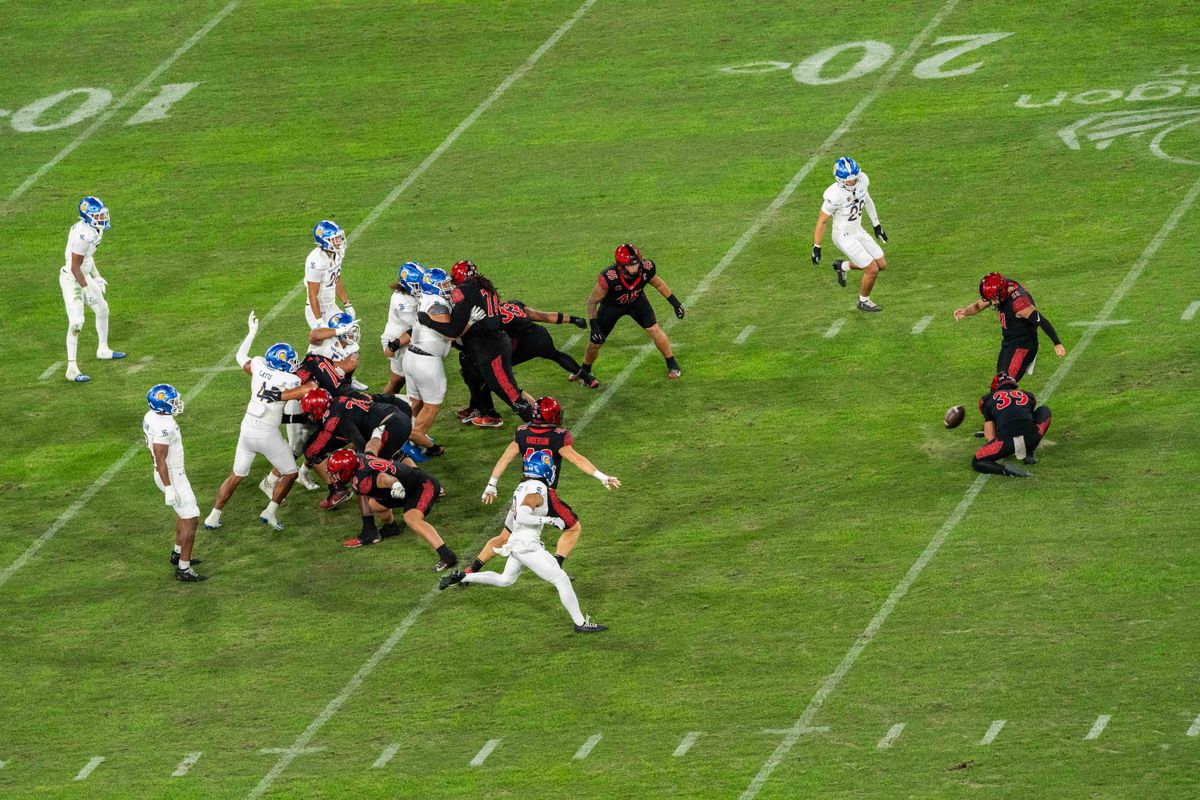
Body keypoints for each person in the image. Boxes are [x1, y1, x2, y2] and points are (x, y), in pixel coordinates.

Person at [439, 452, 608, 634]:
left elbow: (513, 517)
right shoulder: (538, 489)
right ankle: (580, 623)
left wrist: (514, 538)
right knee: (561, 579)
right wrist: (550, 520)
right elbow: (522, 514)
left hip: (517, 543)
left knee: (505, 580)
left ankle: (463, 576)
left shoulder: (522, 487)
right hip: (527, 547)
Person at [478, 397, 619, 572]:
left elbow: (505, 459)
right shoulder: (558, 436)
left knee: (505, 536)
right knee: (573, 527)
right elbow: (577, 460)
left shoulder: (522, 432)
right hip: (543, 493)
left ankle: (471, 570)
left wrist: (491, 484)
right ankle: (555, 567)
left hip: (522, 491)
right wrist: (602, 476)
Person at [203, 312, 315, 531]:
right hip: (267, 434)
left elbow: (240, 355)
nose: (294, 364)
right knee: (291, 473)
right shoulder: (290, 379)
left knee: (236, 476)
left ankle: (213, 516)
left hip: (246, 429)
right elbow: (307, 388)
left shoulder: (259, 366)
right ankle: (270, 512)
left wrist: (252, 332)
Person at [417, 260, 535, 422]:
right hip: (490, 345)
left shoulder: (462, 291)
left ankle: (537, 422)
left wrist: (427, 321)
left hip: (490, 349)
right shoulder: (484, 286)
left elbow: (453, 331)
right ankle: (488, 413)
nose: (450, 286)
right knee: (480, 379)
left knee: (507, 391)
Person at [458, 298, 588, 427]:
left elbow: (501, 342)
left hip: (521, 345)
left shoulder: (489, 318)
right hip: (540, 334)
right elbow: (544, 316)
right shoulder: (513, 304)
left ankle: (494, 415)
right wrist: (573, 319)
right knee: (556, 355)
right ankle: (588, 378)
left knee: (497, 381)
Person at [329, 449, 457, 571]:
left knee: (411, 519)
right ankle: (391, 528)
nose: (334, 477)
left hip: (422, 486)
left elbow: (384, 479)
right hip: (406, 487)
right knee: (374, 504)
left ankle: (447, 556)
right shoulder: (359, 459)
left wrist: (395, 485)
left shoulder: (363, 478)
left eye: (336, 473)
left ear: (347, 469)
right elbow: (372, 448)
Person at [575, 243, 683, 386]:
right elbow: (592, 302)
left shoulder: (646, 268)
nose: (634, 267)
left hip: (637, 302)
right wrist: (594, 326)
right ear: (620, 265)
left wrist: (676, 304)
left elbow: (659, 285)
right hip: (611, 308)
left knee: (654, 329)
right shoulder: (609, 278)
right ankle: (585, 370)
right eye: (630, 265)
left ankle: (672, 364)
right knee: (596, 342)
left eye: (636, 263)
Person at [142, 384, 205, 582]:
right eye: (172, 402)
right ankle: (183, 568)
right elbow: (161, 458)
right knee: (191, 518)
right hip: (171, 475)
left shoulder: (151, 416)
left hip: (167, 473)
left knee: (184, 514)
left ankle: (177, 554)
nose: (176, 404)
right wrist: (169, 488)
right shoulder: (165, 425)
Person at [954, 272, 1066, 381]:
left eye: (993, 299)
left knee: (1005, 383)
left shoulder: (1019, 304)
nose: (992, 303)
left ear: (1001, 293)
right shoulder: (1001, 289)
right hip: (1009, 342)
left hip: (1022, 346)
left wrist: (1057, 343)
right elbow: (979, 305)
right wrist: (965, 311)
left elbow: (1041, 320)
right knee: (1000, 380)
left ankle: (1024, 400)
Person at [811, 156, 889, 312]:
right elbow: (822, 221)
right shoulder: (834, 195)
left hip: (858, 230)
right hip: (843, 235)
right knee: (871, 270)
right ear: (839, 180)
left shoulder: (862, 180)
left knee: (881, 265)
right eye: (849, 180)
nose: (853, 182)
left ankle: (842, 266)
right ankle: (863, 300)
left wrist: (877, 225)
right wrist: (817, 246)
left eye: (855, 178)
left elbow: (867, 200)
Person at [60, 196, 126, 382]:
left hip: (85, 275)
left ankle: (103, 349)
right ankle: (71, 368)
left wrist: (96, 276)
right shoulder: (82, 235)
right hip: (72, 279)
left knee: (102, 308)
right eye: (97, 215)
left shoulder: (95, 230)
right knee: (77, 322)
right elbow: (75, 267)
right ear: (86, 216)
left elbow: (88, 258)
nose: (102, 218)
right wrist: (87, 288)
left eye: (102, 214)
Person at [972, 372, 1052, 477]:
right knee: (1044, 410)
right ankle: (1029, 452)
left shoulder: (986, 399)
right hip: (1031, 436)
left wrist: (993, 446)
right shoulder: (1028, 395)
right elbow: (1026, 417)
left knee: (977, 462)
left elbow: (989, 434)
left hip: (1007, 441)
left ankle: (1007, 470)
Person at [380, 262, 425, 395]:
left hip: (406, 340)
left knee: (398, 380)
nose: (421, 287)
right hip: (398, 342)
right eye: (417, 284)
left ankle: (382, 404)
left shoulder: (409, 294)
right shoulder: (401, 301)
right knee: (402, 380)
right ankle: (383, 406)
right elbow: (418, 326)